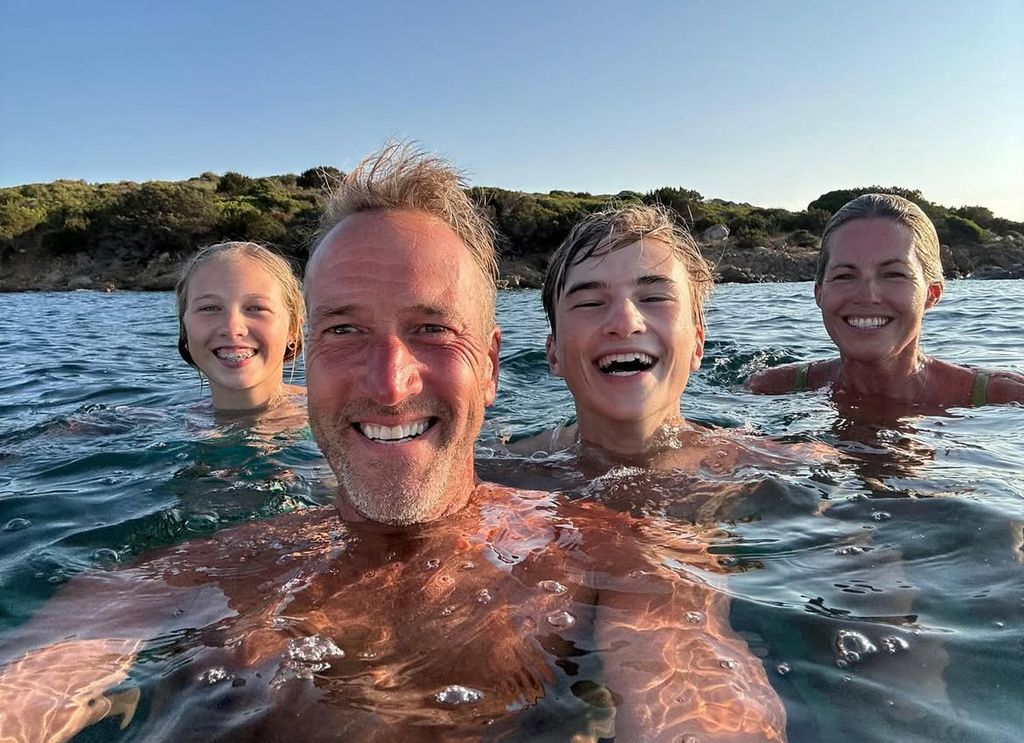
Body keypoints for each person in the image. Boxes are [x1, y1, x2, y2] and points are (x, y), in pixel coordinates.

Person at [0, 146, 785, 742]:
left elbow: (697, 702)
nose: (389, 379)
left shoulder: (610, 558)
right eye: (345, 329)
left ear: (490, 366)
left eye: (431, 329)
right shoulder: (208, 570)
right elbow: (33, 683)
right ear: (307, 359)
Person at [509, 204, 829, 480]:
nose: (625, 323)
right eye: (590, 303)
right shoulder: (499, 472)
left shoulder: (779, 467)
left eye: (654, 297)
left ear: (697, 344)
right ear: (554, 355)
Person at [745, 193, 1024, 406]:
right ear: (819, 293)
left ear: (932, 293)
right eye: (844, 276)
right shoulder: (770, 389)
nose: (867, 296)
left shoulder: (1004, 399)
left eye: (892, 274)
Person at [175, 241, 306, 419]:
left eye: (256, 308)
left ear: (293, 329)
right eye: (209, 308)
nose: (232, 328)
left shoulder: (339, 415)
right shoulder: (147, 426)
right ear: (184, 329)